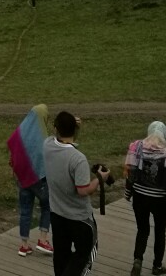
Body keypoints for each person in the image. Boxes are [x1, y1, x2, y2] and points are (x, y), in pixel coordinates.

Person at [43, 111, 107, 276]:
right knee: (84, 256)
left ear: (56, 128)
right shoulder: (78, 159)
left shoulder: (47, 145)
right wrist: (100, 178)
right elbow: (83, 190)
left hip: (57, 215)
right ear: (75, 130)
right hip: (80, 219)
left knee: (61, 255)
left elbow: (53, 134)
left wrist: (69, 124)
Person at [124, 121, 166, 276]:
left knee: (142, 230)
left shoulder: (138, 150)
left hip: (139, 197)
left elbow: (130, 173)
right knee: (160, 232)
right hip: (159, 201)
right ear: (165, 136)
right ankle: (157, 266)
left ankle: (137, 261)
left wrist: (128, 192)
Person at [7, 104, 54, 256]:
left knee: (25, 210)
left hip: (22, 178)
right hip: (39, 178)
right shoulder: (43, 138)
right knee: (47, 206)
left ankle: (24, 245)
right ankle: (43, 240)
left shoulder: (19, 133)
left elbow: (12, 151)